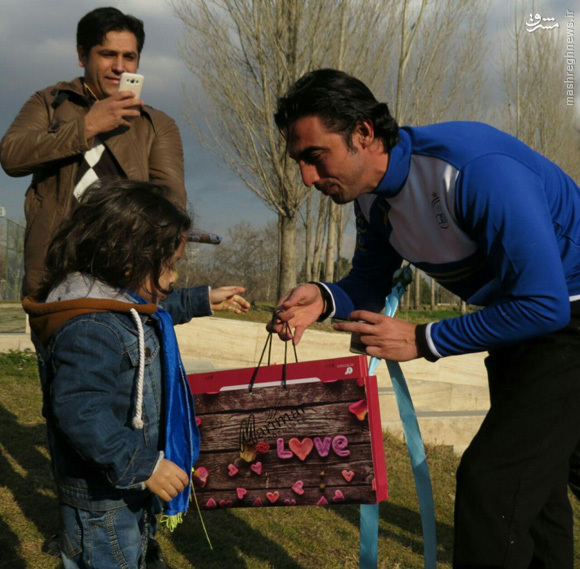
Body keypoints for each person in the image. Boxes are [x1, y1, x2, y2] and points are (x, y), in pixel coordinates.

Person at [271, 69, 580, 568]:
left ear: (364, 133)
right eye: (299, 162)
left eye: (315, 156)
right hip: (523, 321)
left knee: (493, 482)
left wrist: (423, 337)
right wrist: (325, 298)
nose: (307, 178)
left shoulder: (474, 169)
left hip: (568, 318)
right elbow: (369, 281)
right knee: (534, 492)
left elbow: (547, 304)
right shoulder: (370, 196)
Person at [22, 179, 249, 569]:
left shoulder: (113, 300)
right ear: (127, 257)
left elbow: (154, 312)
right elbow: (81, 413)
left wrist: (203, 299)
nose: (173, 278)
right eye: (168, 266)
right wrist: (145, 467)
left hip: (126, 483)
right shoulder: (90, 326)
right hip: (104, 499)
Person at [1, 6, 187, 297]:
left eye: (129, 56)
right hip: (53, 278)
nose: (120, 67)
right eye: (108, 54)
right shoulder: (49, 103)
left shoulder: (157, 125)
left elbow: (172, 203)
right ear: (82, 56)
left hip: (124, 279)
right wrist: (86, 126)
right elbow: (11, 156)